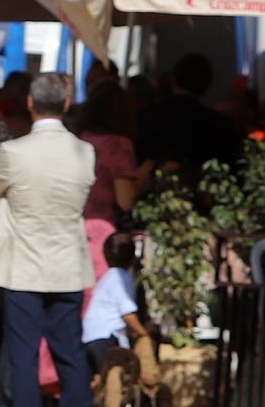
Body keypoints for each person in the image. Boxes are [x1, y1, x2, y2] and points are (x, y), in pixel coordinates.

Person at [0, 73, 96, 407]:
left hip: (25, 264)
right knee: (70, 352)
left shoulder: (14, 152)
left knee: (23, 355)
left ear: (29, 103)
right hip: (68, 263)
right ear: (65, 104)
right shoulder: (84, 152)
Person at [82, 232, 158, 407]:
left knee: (100, 381)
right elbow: (127, 314)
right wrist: (144, 333)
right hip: (106, 338)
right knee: (117, 383)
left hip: (90, 337)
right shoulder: (122, 278)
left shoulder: (107, 278)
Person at [134, 52, 243, 183]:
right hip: (204, 196)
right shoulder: (220, 125)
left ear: (173, 79)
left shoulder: (145, 116)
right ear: (207, 85)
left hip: (150, 192)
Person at [73, 81, 137, 283]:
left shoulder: (79, 139)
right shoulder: (118, 145)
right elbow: (125, 200)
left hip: (71, 227)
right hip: (101, 232)